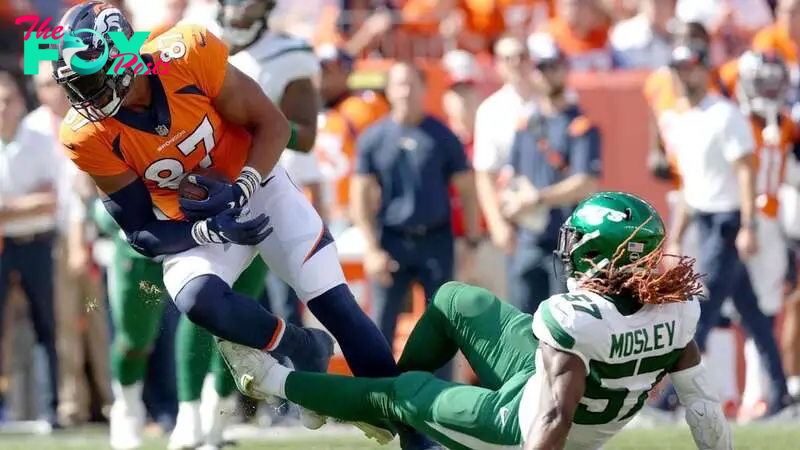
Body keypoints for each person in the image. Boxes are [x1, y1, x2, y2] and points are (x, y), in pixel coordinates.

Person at [54, 3, 436, 449]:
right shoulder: (85, 133)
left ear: (122, 59)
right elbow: (139, 230)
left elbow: (271, 123)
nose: (84, 98)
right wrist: (207, 231)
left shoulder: (187, 53)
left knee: (334, 302)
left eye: (91, 81)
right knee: (196, 297)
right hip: (191, 222)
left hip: (258, 186)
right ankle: (298, 345)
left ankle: (414, 434)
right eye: (75, 85)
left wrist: (241, 188)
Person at [217, 191, 733, 450]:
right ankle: (381, 414)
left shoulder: (574, 319)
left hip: (526, 427)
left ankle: (275, 382)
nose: (569, 253)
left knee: (406, 391)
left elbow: (551, 419)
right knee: (455, 300)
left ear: (602, 257)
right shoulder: (676, 308)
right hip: (550, 384)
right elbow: (703, 404)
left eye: (579, 245)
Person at [663, 43, 792, 417]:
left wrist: (748, 224)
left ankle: (672, 397)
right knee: (752, 314)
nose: (682, 75)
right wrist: (675, 236)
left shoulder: (725, 114)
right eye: (677, 67)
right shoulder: (687, 118)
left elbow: (746, 172)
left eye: (688, 67)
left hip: (727, 220)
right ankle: (781, 392)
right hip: (705, 221)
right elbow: (690, 186)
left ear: (704, 68)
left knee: (701, 310)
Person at [350, 61, 481, 378]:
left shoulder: (442, 136)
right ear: (389, 91)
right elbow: (361, 195)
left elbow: (467, 190)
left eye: (412, 84)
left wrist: (471, 241)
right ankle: (376, 397)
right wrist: (370, 249)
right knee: (381, 322)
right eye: (399, 84)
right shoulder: (374, 137)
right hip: (392, 239)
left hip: (436, 239)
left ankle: (439, 400)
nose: (406, 91)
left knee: (442, 322)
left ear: (424, 89)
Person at [501, 39, 601, 314]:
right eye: (541, 68)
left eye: (553, 67)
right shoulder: (525, 125)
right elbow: (513, 177)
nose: (546, 74)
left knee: (562, 322)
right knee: (520, 322)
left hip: (567, 240)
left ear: (565, 70)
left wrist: (537, 198)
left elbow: (586, 183)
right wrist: (509, 204)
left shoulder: (580, 125)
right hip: (529, 237)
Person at [0, 71, 60, 428]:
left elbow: (51, 201)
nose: (3, 108)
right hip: (3, 244)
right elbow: (38, 200)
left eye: (8, 100)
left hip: (37, 243)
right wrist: (29, 203)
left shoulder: (39, 140)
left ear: (21, 102)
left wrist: (7, 208)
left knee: (46, 327)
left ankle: (49, 409)